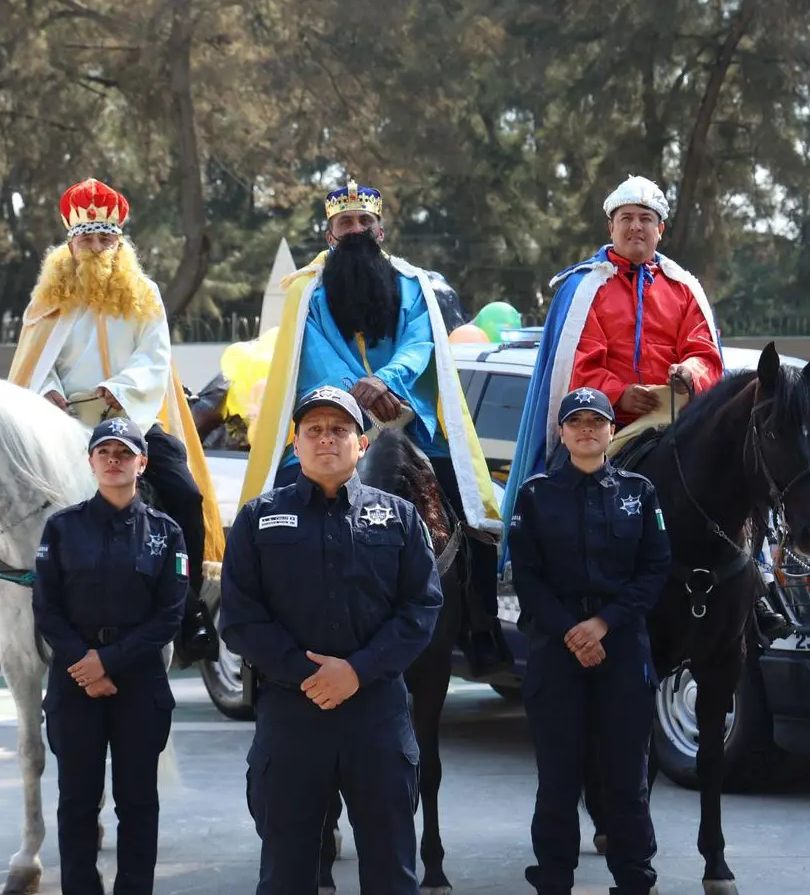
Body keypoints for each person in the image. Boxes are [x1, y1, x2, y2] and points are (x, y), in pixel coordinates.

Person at [0, 177, 221, 667]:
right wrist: (51, 394)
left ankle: (188, 608)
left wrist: (120, 389)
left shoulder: (145, 293)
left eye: (105, 239)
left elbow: (155, 355)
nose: (96, 247)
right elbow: (36, 365)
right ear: (70, 243)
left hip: (133, 419)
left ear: (119, 243)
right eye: (86, 239)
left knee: (185, 493)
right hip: (63, 425)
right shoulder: (47, 299)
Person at [503, 173, 792, 641]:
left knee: (740, 479)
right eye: (626, 219)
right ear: (610, 228)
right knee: (562, 479)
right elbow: (579, 359)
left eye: (645, 219)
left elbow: (705, 352)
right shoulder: (583, 289)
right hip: (602, 418)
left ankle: (757, 592)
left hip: (677, 412)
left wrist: (690, 374)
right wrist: (618, 393)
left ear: (661, 230)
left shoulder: (683, 288)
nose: (636, 227)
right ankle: (553, 593)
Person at [239, 178, 507, 676]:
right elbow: (313, 354)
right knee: (275, 507)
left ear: (380, 231)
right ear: (330, 235)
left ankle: (481, 625)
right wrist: (356, 394)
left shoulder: (415, 285)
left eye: (365, 222)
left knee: (472, 509)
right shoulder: (307, 294)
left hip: (407, 420)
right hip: (335, 420)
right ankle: (265, 636)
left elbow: (419, 342)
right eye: (346, 223)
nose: (356, 229)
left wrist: (385, 384)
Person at [220, 385, 442, 895]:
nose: (326, 440)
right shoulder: (257, 520)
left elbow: (421, 607)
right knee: (286, 874)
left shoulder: (401, 518)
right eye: (314, 430)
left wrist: (356, 672)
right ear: (294, 445)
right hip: (292, 716)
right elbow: (240, 617)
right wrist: (311, 675)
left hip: (377, 718)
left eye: (339, 430)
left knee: (391, 873)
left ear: (361, 444)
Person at [508, 388, 668, 895]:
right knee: (558, 779)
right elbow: (527, 577)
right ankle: (553, 880)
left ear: (609, 431)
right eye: (574, 422)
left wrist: (603, 625)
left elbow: (655, 567)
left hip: (620, 646)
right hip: (556, 647)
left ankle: (635, 880)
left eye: (595, 422)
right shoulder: (535, 495)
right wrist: (573, 631)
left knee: (626, 777)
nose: (585, 430)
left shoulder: (639, 492)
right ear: (561, 432)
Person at [33, 416, 187, 895]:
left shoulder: (166, 532)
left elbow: (169, 615)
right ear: (91, 462)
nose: (114, 460)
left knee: (138, 801)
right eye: (105, 452)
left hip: (138, 682)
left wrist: (110, 661)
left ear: (142, 463)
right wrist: (86, 664)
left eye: (124, 453)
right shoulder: (61, 528)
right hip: (74, 680)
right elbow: (46, 607)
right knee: (77, 801)